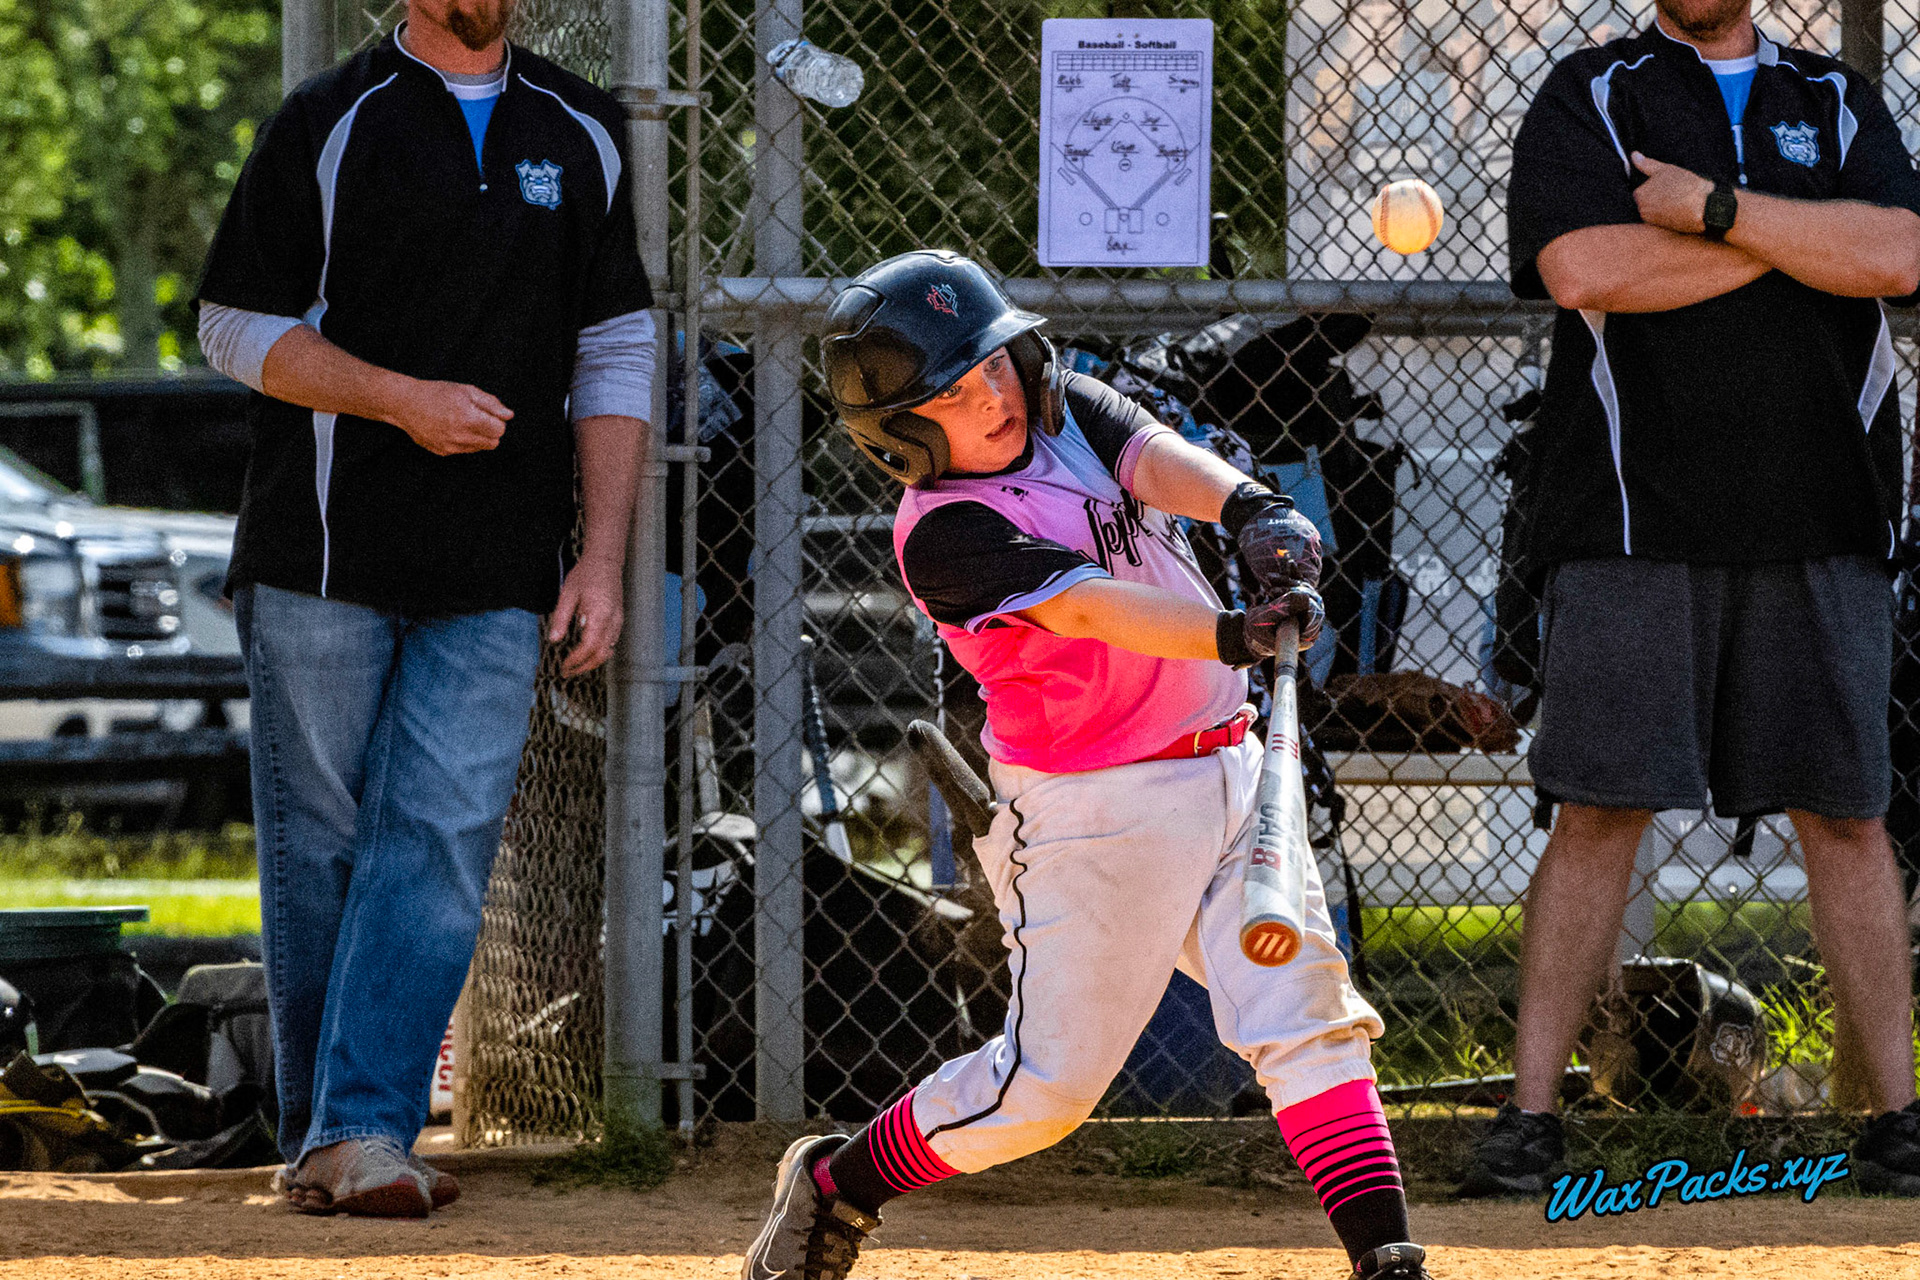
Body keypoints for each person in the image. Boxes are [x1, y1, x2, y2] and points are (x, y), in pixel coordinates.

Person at [740, 250, 1436, 1280]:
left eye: (995, 366)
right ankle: (839, 1183)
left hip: (1228, 769)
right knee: (1045, 1091)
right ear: (906, 435)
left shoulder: (1060, 407)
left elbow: (1152, 453)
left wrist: (1253, 512)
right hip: (1092, 811)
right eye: (956, 392)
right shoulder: (944, 536)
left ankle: (1386, 1257)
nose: (993, 395)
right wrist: (1235, 633)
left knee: (1308, 1017)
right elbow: (1085, 605)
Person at [193, 0, 653, 1216]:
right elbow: (232, 325)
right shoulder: (328, 119)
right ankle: (338, 1135)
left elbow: (614, 351)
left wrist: (599, 557)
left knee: (441, 837)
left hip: (501, 568)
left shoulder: (586, 128)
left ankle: (355, 1131)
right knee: (324, 854)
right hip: (319, 556)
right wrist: (398, 401)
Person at [1468, 0, 1920, 1197]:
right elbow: (1584, 266)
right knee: (1601, 811)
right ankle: (1529, 1121)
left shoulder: (1831, 99)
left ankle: (1897, 1119)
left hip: (1825, 516)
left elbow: (1897, 256)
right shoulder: (1593, 92)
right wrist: (1792, 245)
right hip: (1630, 520)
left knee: (1849, 816)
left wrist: (1712, 213)